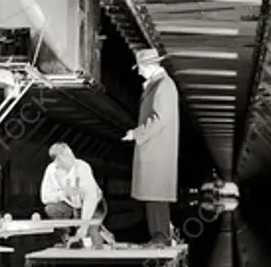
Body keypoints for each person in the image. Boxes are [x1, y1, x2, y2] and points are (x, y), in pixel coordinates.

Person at [123, 48, 180, 246]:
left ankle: (160, 236)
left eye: (140, 68)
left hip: (157, 149)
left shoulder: (164, 85)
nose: (139, 72)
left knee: (156, 194)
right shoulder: (158, 84)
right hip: (154, 148)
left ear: (149, 66)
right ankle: (160, 235)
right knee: (153, 193)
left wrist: (136, 133)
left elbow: (161, 118)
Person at [40, 142, 114, 248]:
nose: (72, 157)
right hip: (72, 206)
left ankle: (102, 233)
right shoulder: (51, 171)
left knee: (93, 239)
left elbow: (90, 199)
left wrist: (83, 227)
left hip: (94, 205)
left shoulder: (82, 168)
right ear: (58, 159)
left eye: (71, 153)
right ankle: (65, 236)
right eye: (67, 155)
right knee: (51, 208)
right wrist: (64, 194)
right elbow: (45, 197)